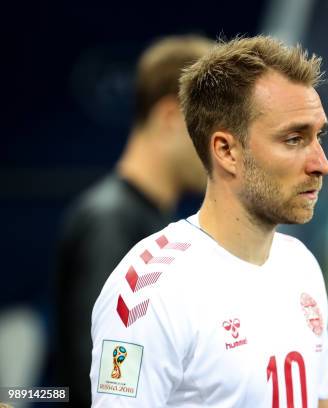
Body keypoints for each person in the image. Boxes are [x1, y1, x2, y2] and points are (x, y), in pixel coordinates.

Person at [89, 36, 328, 407]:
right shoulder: (149, 290)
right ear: (226, 150)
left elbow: (321, 400)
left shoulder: (302, 265)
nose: (321, 163)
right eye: (294, 138)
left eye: (319, 136)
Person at [55, 35, 213, 407]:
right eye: (209, 124)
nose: (220, 144)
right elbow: (103, 378)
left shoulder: (153, 221)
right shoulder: (109, 221)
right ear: (171, 118)